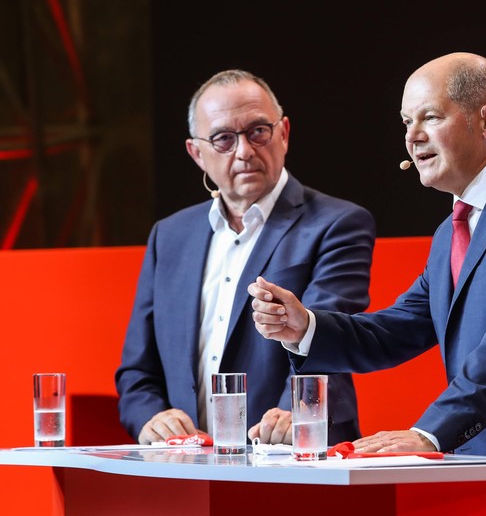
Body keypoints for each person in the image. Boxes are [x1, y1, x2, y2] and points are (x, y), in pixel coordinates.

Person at [248, 52, 486, 516]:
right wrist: (305, 328)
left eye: (430, 117)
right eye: (406, 121)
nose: (411, 136)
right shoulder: (453, 228)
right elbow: (401, 327)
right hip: (480, 478)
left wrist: (426, 434)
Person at [115, 69, 375, 448]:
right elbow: (138, 368)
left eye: (258, 131)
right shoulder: (169, 236)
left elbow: (329, 341)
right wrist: (151, 419)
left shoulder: (337, 223)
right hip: (188, 469)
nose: (244, 151)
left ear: (283, 133)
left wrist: (298, 411)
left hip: (297, 460)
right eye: (223, 138)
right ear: (196, 153)